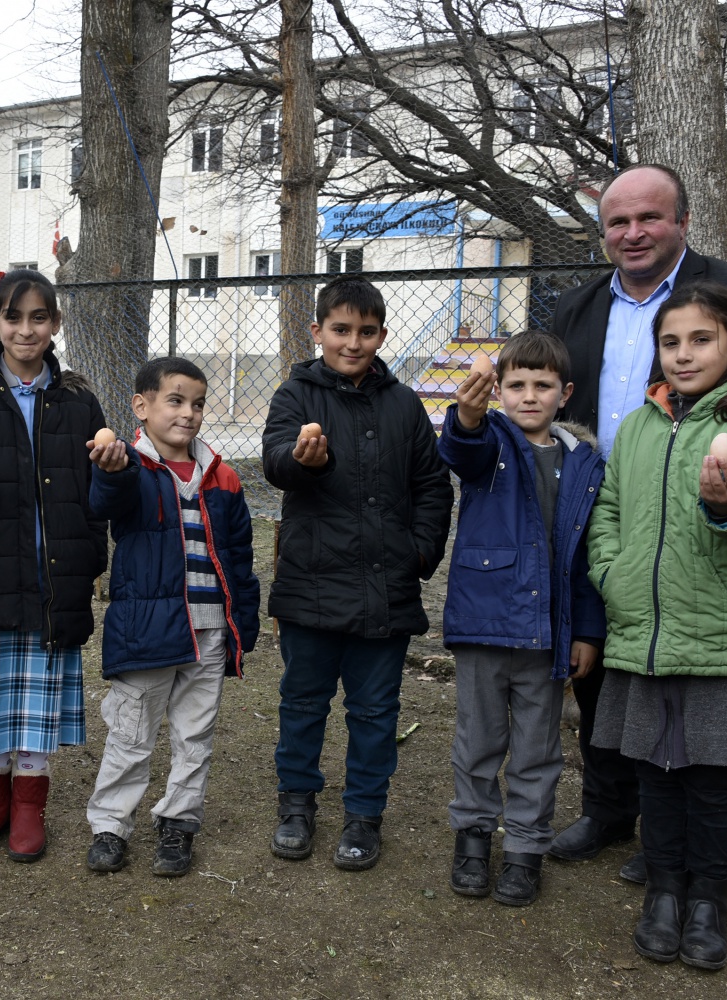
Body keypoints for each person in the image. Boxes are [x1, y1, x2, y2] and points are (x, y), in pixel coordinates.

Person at [547, 163, 727, 876]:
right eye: (618, 222)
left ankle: (662, 836)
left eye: (649, 218)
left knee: (681, 687)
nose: (632, 233)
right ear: (602, 230)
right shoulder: (574, 306)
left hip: (699, 523)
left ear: (683, 221)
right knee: (600, 669)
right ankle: (609, 813)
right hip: (602, 518)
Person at [588, 281, 727, 970]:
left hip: (720, 635)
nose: (682, 354)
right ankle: (664, 890)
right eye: (670, 342)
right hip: (643, 631)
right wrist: (611, 571)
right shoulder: (639, 425)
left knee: (708, 775)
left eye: (700, 340)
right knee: (653, 770)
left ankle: (708, 898)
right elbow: (609, 509)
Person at [262, 276, 454, 871]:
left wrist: (418, 553)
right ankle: (297, 805)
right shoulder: (294, 395)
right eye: (340, 330)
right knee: (302, 703)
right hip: (310, 587)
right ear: (317, 331)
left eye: (365, 331)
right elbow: (274, 460)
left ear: (382, 335)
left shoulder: (403, 405)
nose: (352, 342)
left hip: (384, 591)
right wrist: (302, 459)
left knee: (375, 712)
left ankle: (365, 814)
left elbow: (431, 485)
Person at [0, 268, 109, 863]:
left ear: (55, 324)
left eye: (38, 317)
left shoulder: (79, 399)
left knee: (36, 698)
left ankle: (29, 806)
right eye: (13, 317)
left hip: (52, 573)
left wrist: (94, 540)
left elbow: (93, 491)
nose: (25, 329)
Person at [436, 331, 606, 907]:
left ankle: (527, 850)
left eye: (542, 385)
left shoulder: (584, 462)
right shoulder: (490, 441)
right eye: (516, 385)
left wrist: (586, 629)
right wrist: (467, 412)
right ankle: (474, 839)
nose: (528, 396)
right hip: (485, 625)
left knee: (538, 748)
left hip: (548, 633)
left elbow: (585, 555)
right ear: (500, 390)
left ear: (565, 393)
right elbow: (461, 448)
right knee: (478, 740)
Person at [81, 357, 261, 877]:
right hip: (148, 633)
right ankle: (111, 825)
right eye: (175, 400)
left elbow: (241, 560)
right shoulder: (127, 465)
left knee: (194, 736)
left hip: (209, 632)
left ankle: (179, 824)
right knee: (132, 733)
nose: (189, 413)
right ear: (142, 406)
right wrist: (110, 470)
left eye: (198, 403)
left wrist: (240, 627)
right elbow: (104, 503)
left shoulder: (222, 475)